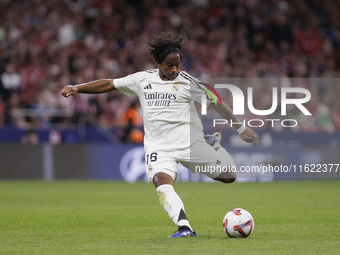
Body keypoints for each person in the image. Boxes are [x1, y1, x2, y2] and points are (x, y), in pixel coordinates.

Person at [61, 32, 260, 238]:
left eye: (178, 64)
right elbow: (110, 84)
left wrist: (240, 128)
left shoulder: (189, 83)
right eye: (169, 65)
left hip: (190, 144)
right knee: (160, 179)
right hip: (159, 147)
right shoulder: (141, 79)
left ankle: (215, 143)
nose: (174, 69)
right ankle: (184, 227)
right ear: (159, 62)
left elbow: (217, 102)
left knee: (230, 176)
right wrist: (77, 88)